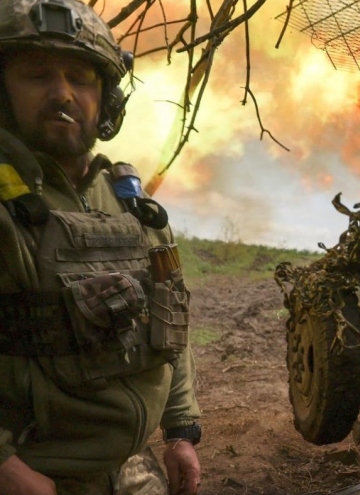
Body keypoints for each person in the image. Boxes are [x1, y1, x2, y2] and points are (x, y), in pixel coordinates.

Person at [0, 1, 201, 494]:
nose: (62, 93)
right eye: (37, 74)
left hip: (132, 471)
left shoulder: (132, 204)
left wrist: (180, 431)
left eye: (81, 77)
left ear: (106, 98)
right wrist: (6, 467)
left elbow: (170, 320)